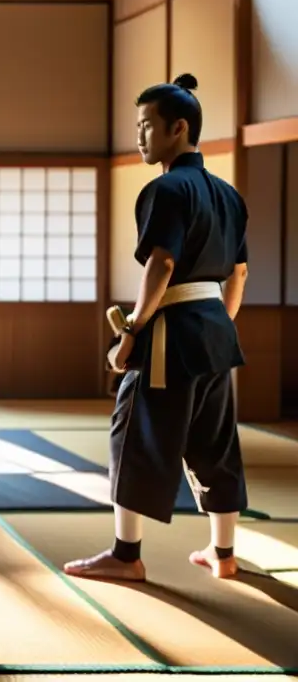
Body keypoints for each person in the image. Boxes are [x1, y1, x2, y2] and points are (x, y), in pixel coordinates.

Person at [64, 74, 249, 582]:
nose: (139, 136)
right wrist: (215, 327)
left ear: (179, 129)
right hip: (215, 331)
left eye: (147, 126)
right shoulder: (229, 194)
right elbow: (238, 273)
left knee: (135, 435)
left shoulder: (167, 188)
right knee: (214, 442)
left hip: (171, 333)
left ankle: (126, 556)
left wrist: (131, 332)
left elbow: (162, 266)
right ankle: (223, 552)